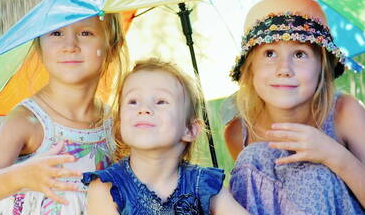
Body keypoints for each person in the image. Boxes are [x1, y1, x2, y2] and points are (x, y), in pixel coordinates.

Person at [224, 0, 365, 215]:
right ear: (250, 69)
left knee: (311, 171)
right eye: (269, 53)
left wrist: (332, 154)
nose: (284, 69)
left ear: (322, 66)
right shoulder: (239, 131)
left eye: (299, 54)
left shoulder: (344, 113)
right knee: (253, 156)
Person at [0, 14, 128, 214]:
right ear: (39, 48)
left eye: (85, 33)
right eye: (56, 33)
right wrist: (20, 176)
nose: (69, 45)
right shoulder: (28, 121)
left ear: (113, 47)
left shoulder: (114, 126)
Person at [82, 59, 248, 214]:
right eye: (133, 101)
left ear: (189, 129)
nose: (144, 109)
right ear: (119, 124)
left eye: (161, 101)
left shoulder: (204, 184)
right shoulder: (107, 188)